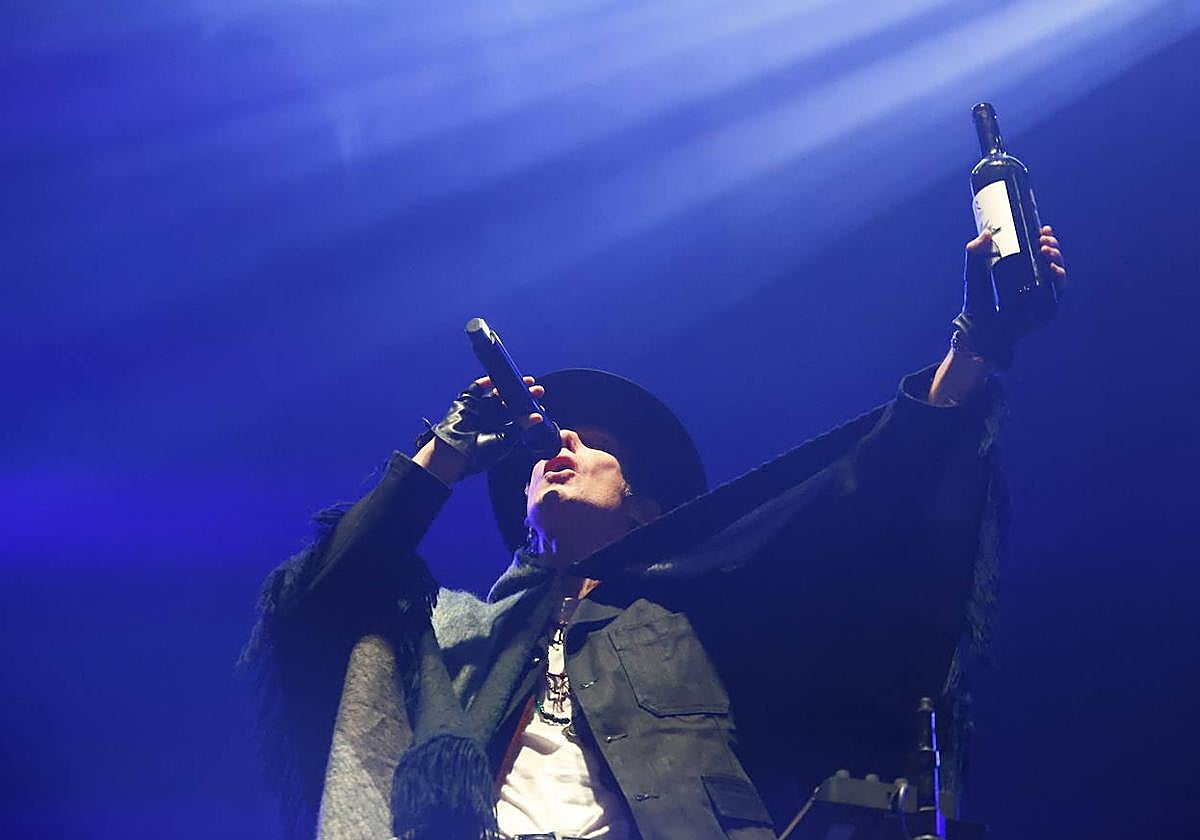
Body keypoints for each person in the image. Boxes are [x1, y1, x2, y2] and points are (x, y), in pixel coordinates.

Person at [242, 228, 1067, 839]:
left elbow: (859, 493)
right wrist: (447, 450)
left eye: (591, 443)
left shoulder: (703, 604)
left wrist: (972, 349)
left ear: (645, 509)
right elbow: (325, 592)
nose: (557, 446)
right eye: (546, 446)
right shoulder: (454, 631)